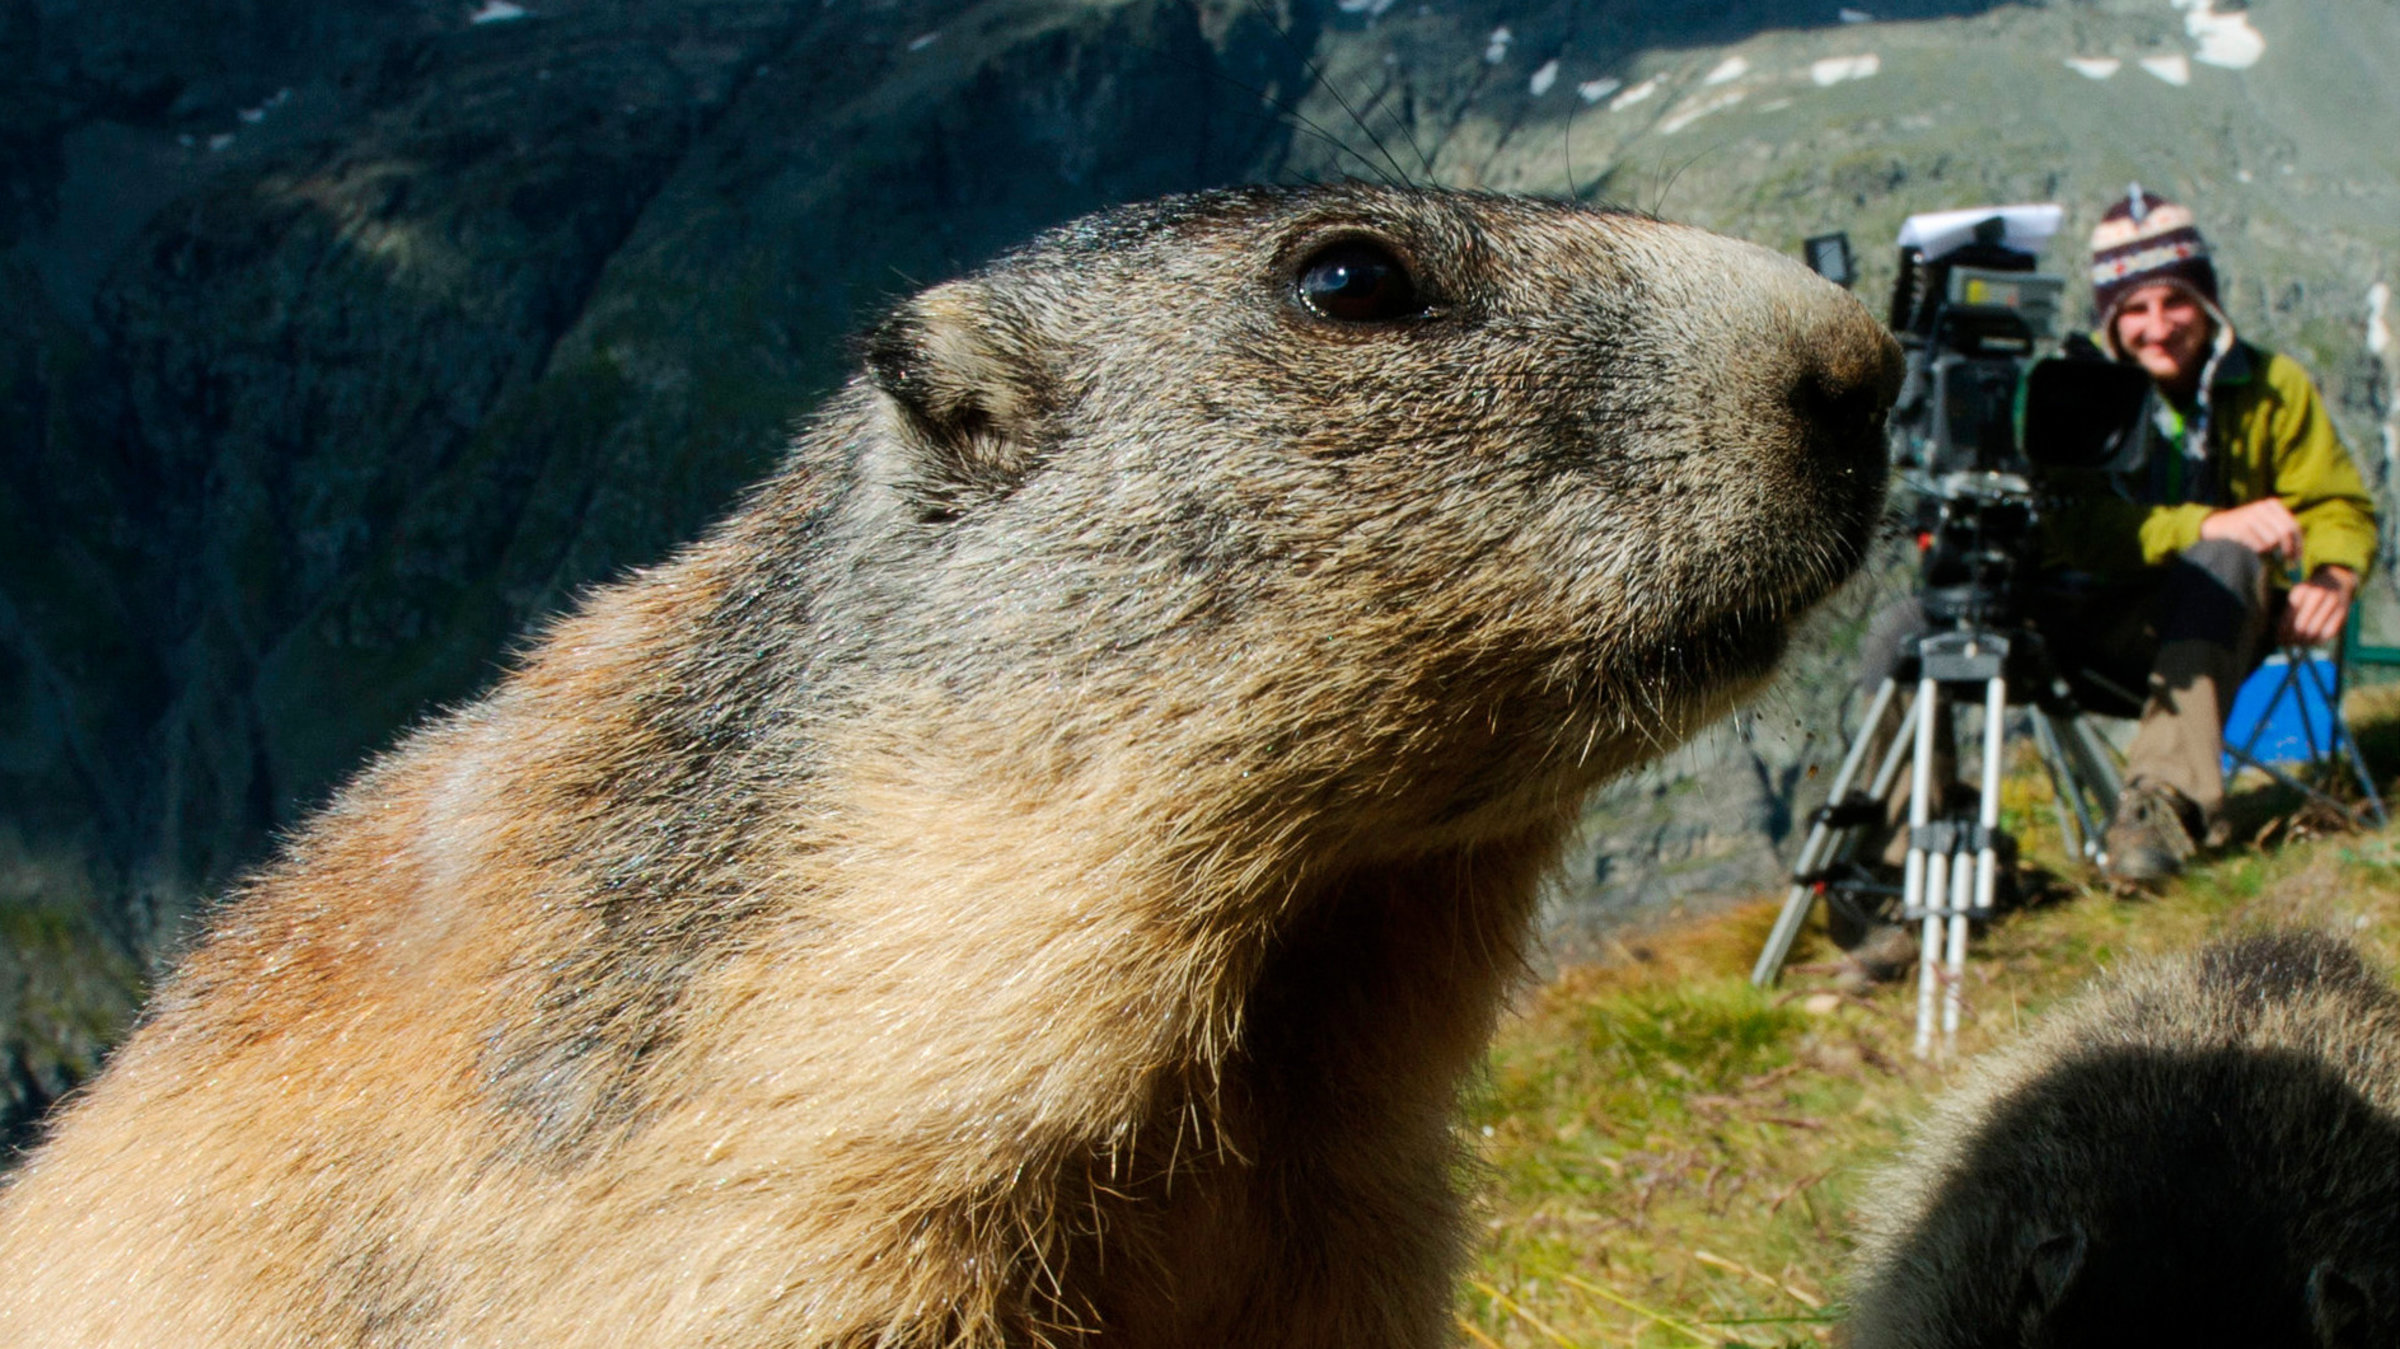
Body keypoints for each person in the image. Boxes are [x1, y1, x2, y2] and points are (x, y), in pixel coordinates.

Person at [1852, 185, 2377, 899]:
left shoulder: (2272, 386)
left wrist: (2334, 572)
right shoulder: (2077, 391)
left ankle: (2158, 810)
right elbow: (2081, 533)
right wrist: (2204, 522)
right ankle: (1895, 869)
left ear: (2208, 299)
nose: (2157, 327)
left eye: (2176, 301)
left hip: (2210, 632)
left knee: (2227, 558)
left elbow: (2337, 502)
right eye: (2134, 308)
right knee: (1905, 631)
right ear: (2109, 315)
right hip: (2070, 632)